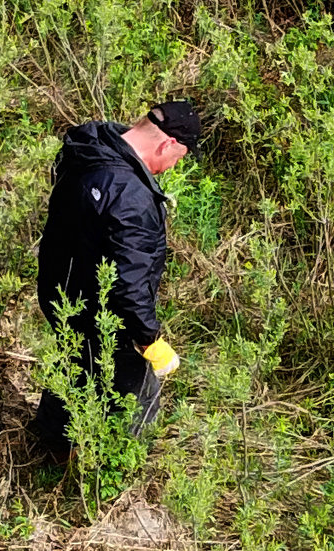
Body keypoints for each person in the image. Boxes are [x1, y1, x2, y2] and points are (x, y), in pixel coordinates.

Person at [29, 99, 203, 462]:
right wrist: (149, 339)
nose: (172, 168)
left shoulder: (90, 147)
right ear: (168, 144)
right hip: (104, 315)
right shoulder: (131, 197)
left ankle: (48, 444)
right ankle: (112, 467)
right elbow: (129, 284)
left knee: (76, 364)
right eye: (179, 158)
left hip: (61, 293)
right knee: (136, 391)